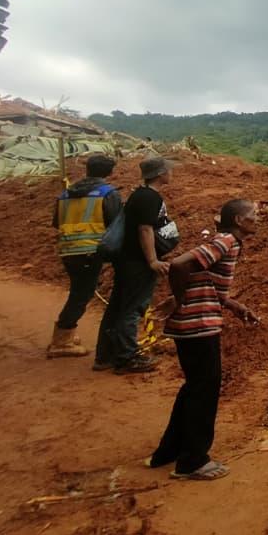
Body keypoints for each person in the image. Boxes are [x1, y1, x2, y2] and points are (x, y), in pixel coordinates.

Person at [149, 199, 260, 481]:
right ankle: (193, 461)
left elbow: (207, 280)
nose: (257, 219)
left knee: (194, 388)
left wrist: (235, 306)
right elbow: (179, 264)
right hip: (198, 325)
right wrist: (180, 299)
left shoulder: (228, 242)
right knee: (204, 392)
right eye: (253, 215)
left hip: (194, 323)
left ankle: (169, 451)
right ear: (238, 220)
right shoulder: (225, 241)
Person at [94, 156, 180, 374]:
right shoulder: (149, 197)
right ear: (160, 174)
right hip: (138, 263)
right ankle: (126, 358)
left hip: (128, 260)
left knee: (117, 307)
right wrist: (152, 260)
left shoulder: (140, 195)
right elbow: (145, 229)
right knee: (132, 308)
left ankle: (106, 356)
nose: (171, 173)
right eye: (168, 170)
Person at [47, 154, 122, 358]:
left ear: (87, 169)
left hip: (68, 249)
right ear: (109, 172)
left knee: (78, 291)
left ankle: (65, 334)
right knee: (81, 295)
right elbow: (117, 225)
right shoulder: (108, 193)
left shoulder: (65, 194)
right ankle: (61, 339)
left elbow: (56, 222)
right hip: (90, 250)